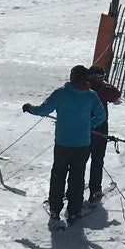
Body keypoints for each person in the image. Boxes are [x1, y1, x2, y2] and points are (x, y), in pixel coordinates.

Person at [23, 66, 106, 228]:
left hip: (63, 143)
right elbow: (101, 116)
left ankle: (55, 208)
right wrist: (90, 125)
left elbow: (43, 109)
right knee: (77, 177)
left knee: (58, 175)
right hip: (82, 143)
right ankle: (74, 210)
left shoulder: (61, 93)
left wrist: (29, 108)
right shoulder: (91, 95)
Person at [86, 65, 122, 206]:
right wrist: (104, 83)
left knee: (79, 159)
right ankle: (95, 189)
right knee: (97, 159)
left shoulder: (83, 88)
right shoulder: (103, 88)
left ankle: (74, 187)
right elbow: (116, 94)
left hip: (83, 126)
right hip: (99, 128)